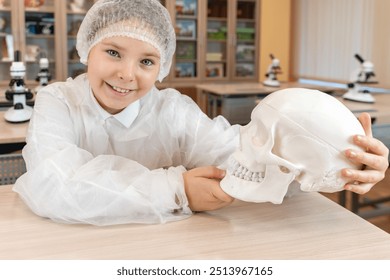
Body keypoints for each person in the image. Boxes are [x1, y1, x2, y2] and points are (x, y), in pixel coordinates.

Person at [14, 0, 389, 226]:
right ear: (87, 49)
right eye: (113, 52)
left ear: (161, 67)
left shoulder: (172, 110)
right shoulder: (57, 100)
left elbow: (244, 157)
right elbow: (54, 185)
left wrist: (340, 164)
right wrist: (178, 191)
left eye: (146, 61)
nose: (127, 74)